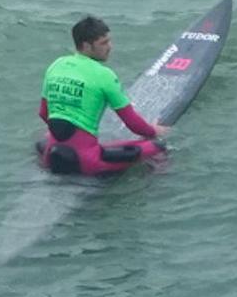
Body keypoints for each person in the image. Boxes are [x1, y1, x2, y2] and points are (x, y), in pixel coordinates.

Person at [35, 15, 168, 176]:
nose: (110, 46)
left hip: (52, 155)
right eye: (103, 43)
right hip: (87, 161)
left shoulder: (56, 66)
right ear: (86, 46)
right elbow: (132, 123)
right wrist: (154, 131)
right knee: (158, 148)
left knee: (46, 137)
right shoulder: (104, 75)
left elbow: (44, 113)